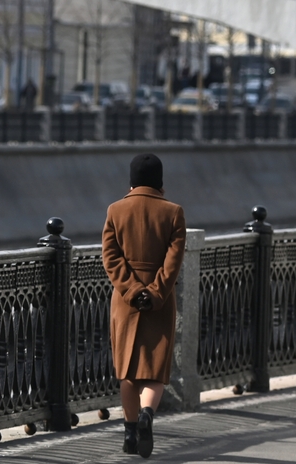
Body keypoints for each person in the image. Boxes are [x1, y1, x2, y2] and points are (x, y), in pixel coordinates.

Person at [101, 153, 186, 458]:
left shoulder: (116, 210)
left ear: (132, 181)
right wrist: (156, 292)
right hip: (160, 301)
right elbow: (173, 260)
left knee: (127, 369)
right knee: (154, 369)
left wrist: (133, 290)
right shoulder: (173, 212)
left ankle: (129, 431)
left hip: (125, 301)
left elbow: (111, 258)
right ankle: (148, 413)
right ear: (160, 182)